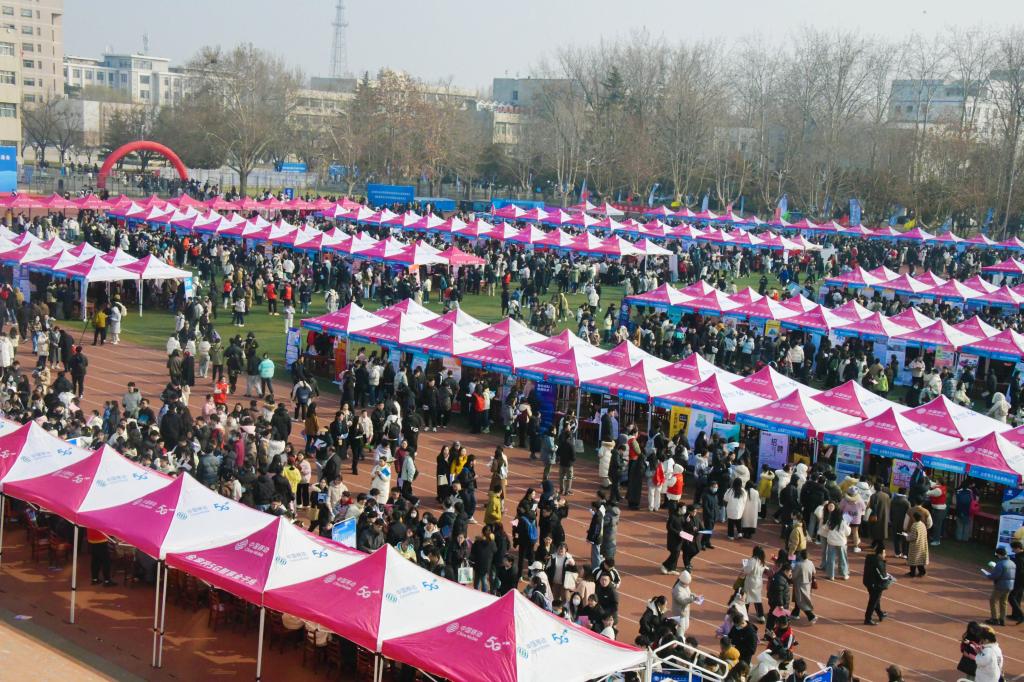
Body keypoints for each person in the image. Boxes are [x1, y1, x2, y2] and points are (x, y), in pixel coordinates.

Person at [985, 546, 1017, 626]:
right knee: (1003, 602)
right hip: (1010, 585)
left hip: (1000, 585)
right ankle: (1002, 619)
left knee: (993, 600)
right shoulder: (1012, 563)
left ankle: (994, 619)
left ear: (999, 554)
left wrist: (988, 576)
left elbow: (996, 576)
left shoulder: (1000, 564)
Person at [863, 542, 889, 625]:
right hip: (875, 584)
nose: (885, 554)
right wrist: (889, 579)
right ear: (881, 553)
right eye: (884, 552)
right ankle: (868, 618)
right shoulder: (878, 562)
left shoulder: (870, 558)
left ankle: (880, 613)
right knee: (873, 601)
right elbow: (882, 576)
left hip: (869, 582)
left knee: (876, 599)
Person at [670, 570, 700, 637]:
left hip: (685, 611)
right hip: (679, 612)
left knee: (686, 626)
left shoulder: (685, 586)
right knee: (681, 630)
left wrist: (693, 595)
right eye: (687, 583)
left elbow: (688, 593)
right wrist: (692, 599)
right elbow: (682, 600)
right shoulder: (677, 589)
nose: (688, 585)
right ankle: (679, 639)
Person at [791, 551, 816, 624]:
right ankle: (795, 613)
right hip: (808, 584)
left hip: (799, 585)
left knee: (801, 601)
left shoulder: (799, 565)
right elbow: (814, 572)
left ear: (801, 556)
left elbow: (794, 576)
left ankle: (811, 616)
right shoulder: (811, 563)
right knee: (800, 599)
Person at [906, 511, 929, 577]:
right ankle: (922, 572)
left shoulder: (914, 525)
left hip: (915, 545)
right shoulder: (922, 524)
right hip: (922, 544)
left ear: (914, 518)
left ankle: (912, 573)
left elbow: (913, 537)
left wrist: (907, 537)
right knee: (919, 559)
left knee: (913, 559)